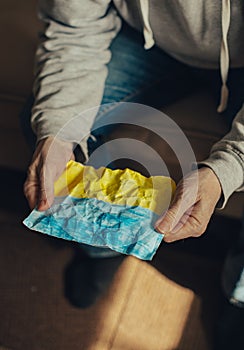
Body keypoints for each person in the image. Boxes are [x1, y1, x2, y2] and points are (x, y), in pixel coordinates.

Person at [21, 0, 244, 347]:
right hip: (144, 40)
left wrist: (227, 169)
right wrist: (58, 131)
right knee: (44, 125)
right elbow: (73, 28)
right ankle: (103, 248)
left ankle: (236, 300)